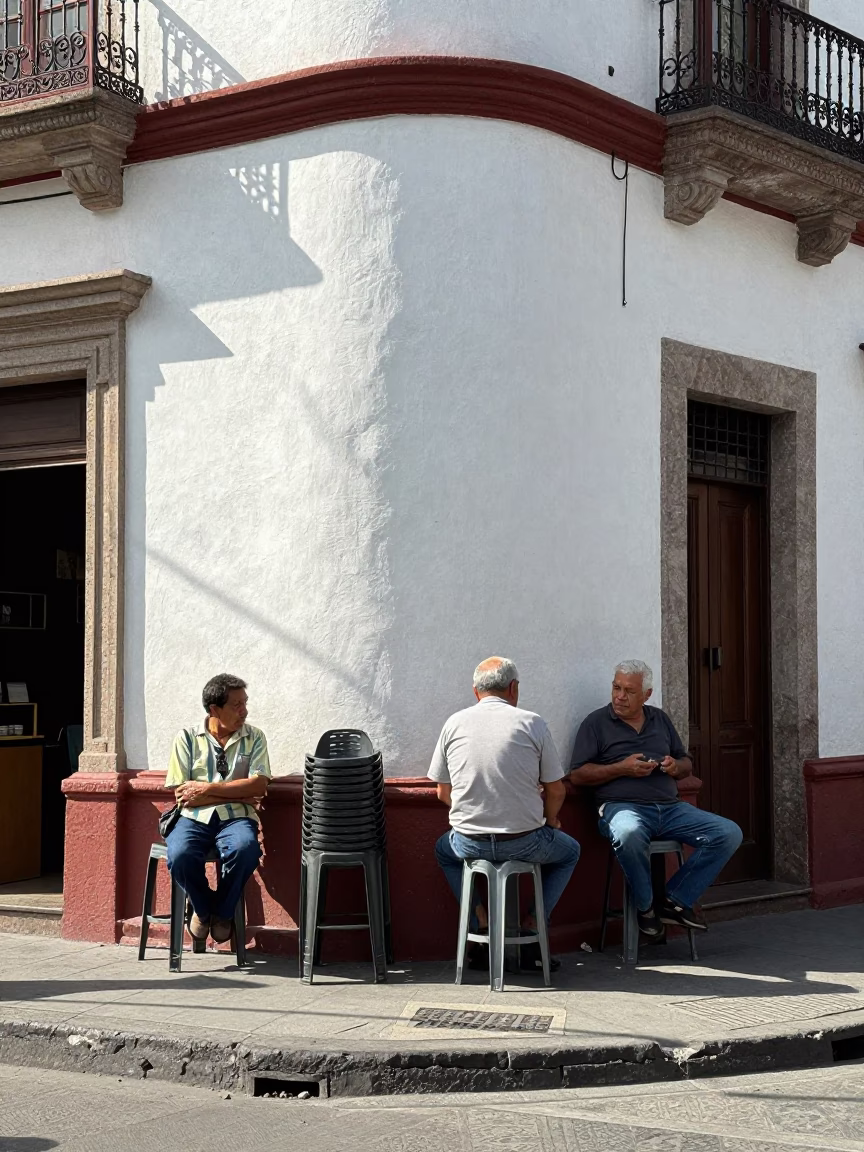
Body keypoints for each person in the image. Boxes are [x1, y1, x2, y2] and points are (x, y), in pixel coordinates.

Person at [570, 660, 742, 936]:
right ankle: (646, 907)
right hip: (622, 807)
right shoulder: (596, 723)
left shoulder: (659, 719)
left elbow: (686, 762)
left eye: (629, 691)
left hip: (670, 808)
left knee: (728, 833)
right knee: (629, 832)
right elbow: (578, 775)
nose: (620, 696)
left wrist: (675, 767)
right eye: (616, 688)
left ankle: (674, 900)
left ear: (646, 695)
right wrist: (621, 768)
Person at [430, 657, 581, 971]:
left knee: (444, 851)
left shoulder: (453, 723)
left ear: (476, 691)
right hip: (524, 841)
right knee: (570, 852)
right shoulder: (532, 723)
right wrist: (550, 820)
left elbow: (443, 793)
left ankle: (480, 924)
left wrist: (473, 811)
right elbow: (556, 791)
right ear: (514, 689)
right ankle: (532, 927)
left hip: (469, 842)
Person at [164, 673, 271, 944]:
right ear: (214, 709)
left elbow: (259, 785)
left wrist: (206, 789)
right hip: (192, 818)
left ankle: (223, 912)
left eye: (245, 703)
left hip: (237, 819)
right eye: (236, 705)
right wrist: (240, 793)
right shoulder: (187, 738)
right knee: (180, 854)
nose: (244, 711)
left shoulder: (255, 737)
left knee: (246, 850)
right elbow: (183, 796)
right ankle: (202, 909)